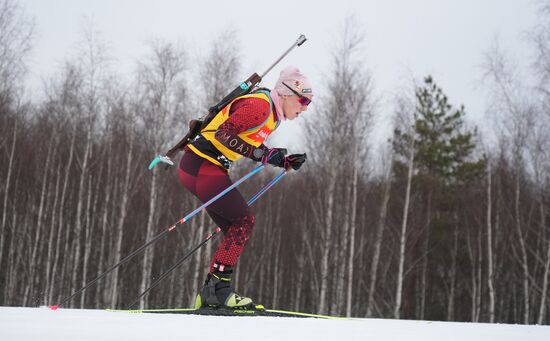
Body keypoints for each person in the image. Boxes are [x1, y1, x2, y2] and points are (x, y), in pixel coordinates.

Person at [178, 65, 313, 310]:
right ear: (285, 93)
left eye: (309, 103)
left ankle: (211, 293)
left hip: (202, 167)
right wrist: (264, 155)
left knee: (236, 228)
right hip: (202, 164)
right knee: (244, 221)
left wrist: (283, 160)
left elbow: (248, 145)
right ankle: (219, 292)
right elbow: (223, 135)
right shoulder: (261, 107)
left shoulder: (272, 115)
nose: (304, 107)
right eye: (303, 100)